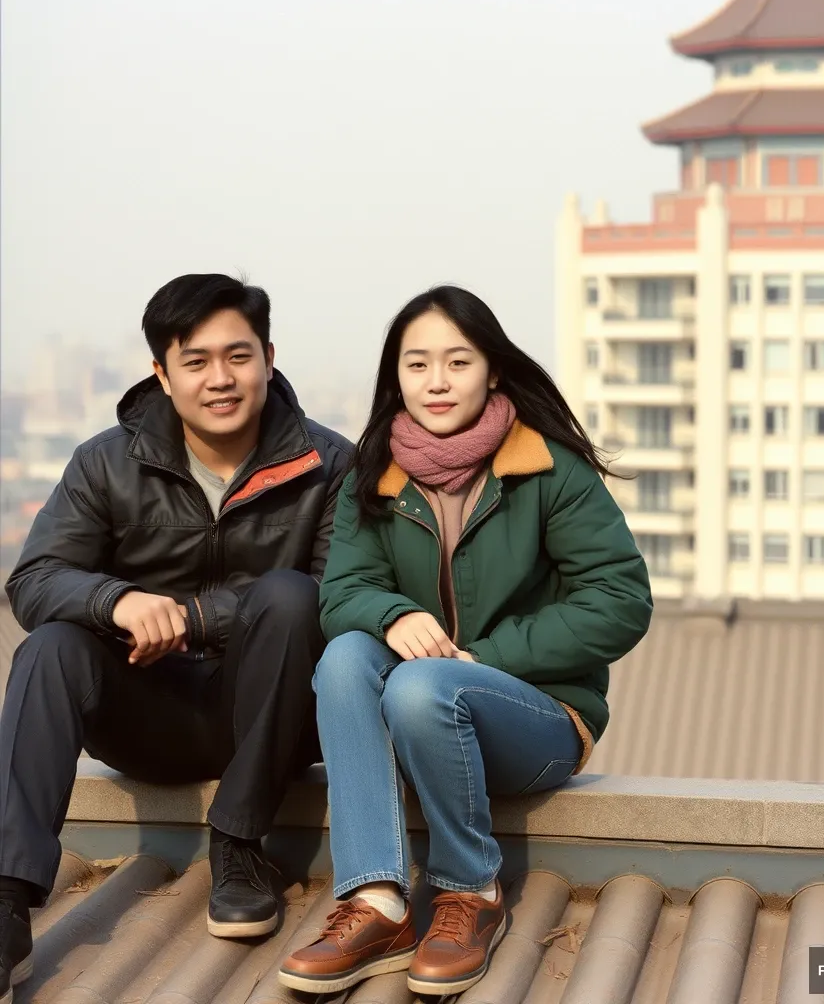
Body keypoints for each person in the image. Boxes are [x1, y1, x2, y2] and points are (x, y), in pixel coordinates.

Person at [278, 285, 652, 996]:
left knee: (421, 684)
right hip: (424, 722)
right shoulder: (374, 474)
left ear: (494, 372)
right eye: (418, 365)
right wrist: (391, 614)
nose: (438, 381)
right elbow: (342, 594)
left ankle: (469, 892)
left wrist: (486, 658)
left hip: (538, 720)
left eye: (458, 361)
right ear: (397, 378)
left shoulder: (548, 469)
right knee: (347, 655)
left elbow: (621, 601)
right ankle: (377, 901)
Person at [0, 273, 353, 1003]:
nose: (219, 380)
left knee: (293, 598)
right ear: (161, 373)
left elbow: (340, 601)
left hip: (273, 720)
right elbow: (33, 580)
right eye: (195, 362)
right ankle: (6, 902)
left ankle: (240, 846)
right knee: (50, 650)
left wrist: (191, 617)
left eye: (238, 356)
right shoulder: (106, 461)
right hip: (146, 713)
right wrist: (117, 599)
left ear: (268, 356)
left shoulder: (331, 465)